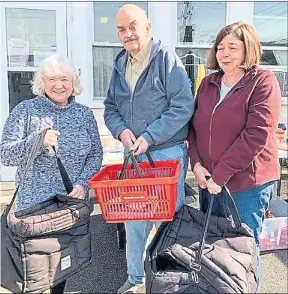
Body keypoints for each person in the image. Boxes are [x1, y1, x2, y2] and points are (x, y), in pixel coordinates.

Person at [104, 4, 194, 293]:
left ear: (147, 28)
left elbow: (183, 105)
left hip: (165, 152)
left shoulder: (166, 59)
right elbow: (110, 108)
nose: (127, 33)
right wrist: (122, 130)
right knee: (134, 219)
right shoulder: (120, 64)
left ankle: (171, 281)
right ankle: (136, 278)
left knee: (168, 220)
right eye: (121, 29)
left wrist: (151, 136)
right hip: (133, 156)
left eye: (132, 26)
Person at [188, 21, 281, 287]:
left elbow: (257, 135)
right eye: (220, 47)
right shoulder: (208, 82)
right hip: (208, 181)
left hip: (246, 186)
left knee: (242, 249)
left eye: (232, 47)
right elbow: (192, 127)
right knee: (214, 246)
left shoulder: (263, 81)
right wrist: (196, 164)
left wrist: (220, 175)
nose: (224, 53)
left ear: (248, 49)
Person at [0, 55, 103, 293]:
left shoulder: (84, 114)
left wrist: (83, 183)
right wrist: (37, 141)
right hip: (35, 209)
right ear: (42, 82)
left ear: (73, 82)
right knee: (34, 274)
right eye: (52, 79)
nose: (59, 85)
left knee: (61, 267)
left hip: (68, 206)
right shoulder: (25, 111)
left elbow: (95, 155)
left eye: (65, 79)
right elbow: (5, 154)